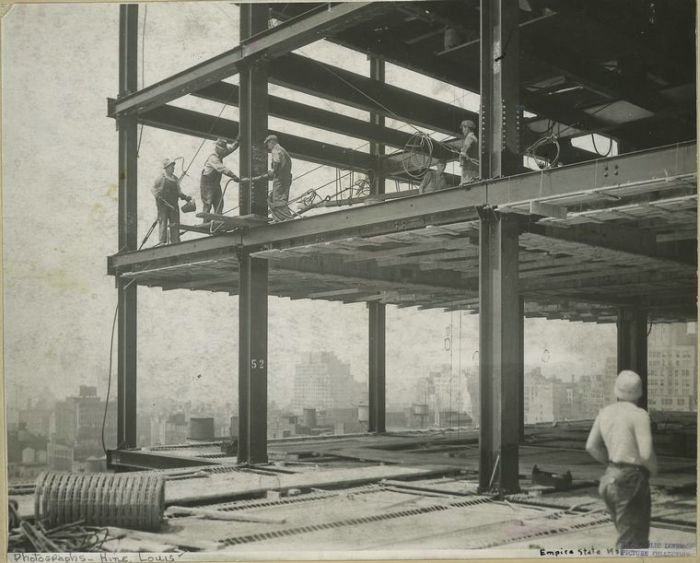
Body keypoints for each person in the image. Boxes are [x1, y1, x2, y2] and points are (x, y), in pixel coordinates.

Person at [585, 370, 658, 551]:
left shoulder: (605, 413)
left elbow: (591, 446)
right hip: (631, 481)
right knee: (633, 543)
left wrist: (612, 464)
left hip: (609, 480)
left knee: (627, 535)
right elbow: (646, 454)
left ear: (616, 391)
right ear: (639, 393)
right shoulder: (639, 415)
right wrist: (654, 470)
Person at [250, 134, 293, 220]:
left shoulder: (275, 150)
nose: (268, 147)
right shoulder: (283, 151)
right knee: (274, 197)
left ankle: (286, 219)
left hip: (280, 180)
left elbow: (276, 162)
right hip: (286, 179)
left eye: (268, 144)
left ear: (271, 142)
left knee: (277, 200)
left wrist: (272, 171)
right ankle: (278, 218)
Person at [152, 158, 192, 245]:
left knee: (175, 224)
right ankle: (162, 242)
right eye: (171, 166)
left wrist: (186, 197)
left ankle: (175, 242)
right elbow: (154, 190)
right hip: (163, 205)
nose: (173, 168)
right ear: (166, 168)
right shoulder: (161, 178)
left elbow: (179, 192)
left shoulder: (175, 179)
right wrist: (158, 197)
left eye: (173, 166)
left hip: (174, 206)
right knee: (163, 223)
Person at [200, 137, 240, 220]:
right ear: (217, 148)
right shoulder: (213, 158)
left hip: (215, 183)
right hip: (207, 184)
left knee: (219, 203)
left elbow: (230, 149)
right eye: (222, 150)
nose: (223, 152)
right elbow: (222, 169)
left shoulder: (220, 153)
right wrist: (233, 176)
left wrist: (237, 141)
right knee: (208, 203)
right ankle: (206, 223)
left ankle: (217, 224)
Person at [459, 119, 479, 184]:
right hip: (475, 169)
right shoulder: (475, 138)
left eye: (463, 128)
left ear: (468, 128)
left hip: (469, 171)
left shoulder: (469, 137)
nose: (462, 130)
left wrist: (461, 157)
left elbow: (463, 152)